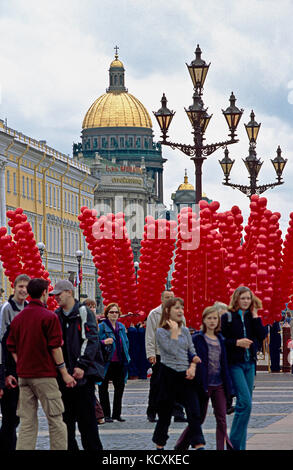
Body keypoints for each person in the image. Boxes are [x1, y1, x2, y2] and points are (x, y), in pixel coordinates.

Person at [6, 278, 76, 450]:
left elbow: (10, 346)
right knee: (56, 420)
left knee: (27, 423)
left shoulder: (19, 318)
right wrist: (64, 372)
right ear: (44, 293)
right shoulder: (49, 317)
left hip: (24, 376)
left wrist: (20, 363)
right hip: (45, 376)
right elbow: (55, 348)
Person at [52, 279, 104, 450]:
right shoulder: (57, 315)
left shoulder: (83, 311)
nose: (56, 298)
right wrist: (62, 370)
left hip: (83, 377)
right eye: (54, 295)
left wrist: (81, 365)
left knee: (87, 424)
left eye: (59, 294)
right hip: (64, 378)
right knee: (66, 424)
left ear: (69, 292)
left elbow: (90, 340)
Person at [175, 305, 234, 450]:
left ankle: (221, 447)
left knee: (222, 419)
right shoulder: (197, 338)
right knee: (198, 419)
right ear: (204, 320)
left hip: (219, 384)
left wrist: (229, 388)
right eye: (209, 318)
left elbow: (224, 364)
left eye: (215, 318)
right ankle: (181, 445)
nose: (212, 321)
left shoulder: (221, 339)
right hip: (202, 385)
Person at [152, 297, 205, 450]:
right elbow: (172, 350)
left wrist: (194, 362)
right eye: (177, 308)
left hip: (185, 374)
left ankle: (198, 444)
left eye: (182, 307)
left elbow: (191, 349)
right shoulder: (161, 332)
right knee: (165, 416)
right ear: (168, 311)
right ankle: (160, 445)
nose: (181, 311)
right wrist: (174, 331)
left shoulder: (186, 330)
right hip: (168, 375)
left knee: (194, 412)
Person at [221, 286, 267, 450]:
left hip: (250, 364)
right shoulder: (227, 317)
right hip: (235, 364)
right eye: (243, 298)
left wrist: (255, 317)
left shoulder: (252, 317)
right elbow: (221, 340)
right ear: (236, 299)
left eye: (248, 298)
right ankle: (233, 444)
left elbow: (262, 335)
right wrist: (237, 342)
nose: (246, 301)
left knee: (244, 405)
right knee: (245, 403)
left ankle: (239, 446)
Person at [145, 290, 186, 423]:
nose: (170, 300)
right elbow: (150, 335)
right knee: (157, 384)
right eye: (167, 297)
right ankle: (152, 411)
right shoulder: (154, 314)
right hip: (159, 354)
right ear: (162, 299)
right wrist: (151, 354)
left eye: (172, 297)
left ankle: (178, 412)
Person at [0, 274, 30, 450]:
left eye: (26, 287)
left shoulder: (28, 307)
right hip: (9, 366)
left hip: (22, 367)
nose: (23, 290)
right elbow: (3, 340)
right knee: (10, 414)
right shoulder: (7, 308)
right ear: (14, 287)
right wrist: (4, 372)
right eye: (20, 286)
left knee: (17, 415)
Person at [98, 303, 130, 422]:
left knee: (119, 388)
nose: (114, 314)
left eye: (116, 312)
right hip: (106, 361)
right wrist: (104, 342)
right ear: (107, 314)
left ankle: (117, 414)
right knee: (103, 388)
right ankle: (106, 414)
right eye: (112, 312)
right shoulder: (101, 326)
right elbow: (95, 341)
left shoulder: (121, 326)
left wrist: (127, 356)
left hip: (120, 361)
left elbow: (126, 342)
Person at [83, 298, 105, 425]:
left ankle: (98, 414)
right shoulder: (85, 320)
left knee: (90, 390)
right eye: (89, 306)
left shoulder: (95, 322)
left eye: (94, 306)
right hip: (88, 359)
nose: (92, 309)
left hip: (94, 360)